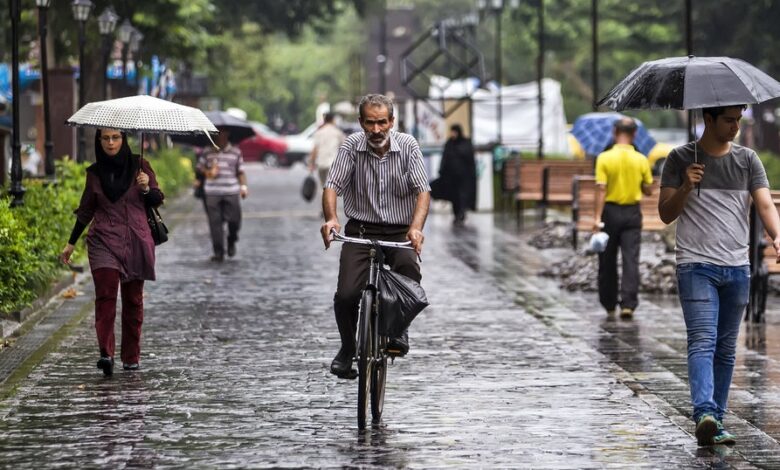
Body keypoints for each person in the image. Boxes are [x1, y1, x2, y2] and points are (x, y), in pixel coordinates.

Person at [659, 105, 780, 446]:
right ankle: (704, 413)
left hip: (737, 268)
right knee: (703, 340)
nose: (735, 127)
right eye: (729, 120)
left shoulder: (747, 160)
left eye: (738, 120)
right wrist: (685, 186)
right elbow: (666, 213)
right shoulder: (680, 158)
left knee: (726, 349)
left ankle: (718, 420)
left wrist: (777, 234)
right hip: (696, 266)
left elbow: (766, 204)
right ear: (707, 120)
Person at [320, 94, 431, 379]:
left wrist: (416, 228)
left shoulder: (408, 146)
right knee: (346, 294)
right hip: (361, 230)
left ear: (391, 122)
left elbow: (423, 191)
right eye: (370, 123)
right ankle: (347, 349)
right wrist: (332, 218)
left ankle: (398, 330)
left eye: (382, 122)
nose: (377, 129)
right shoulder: (351, 147)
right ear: (361, 123)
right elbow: (332, 186)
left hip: (400, 230)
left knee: (408, 273)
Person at [60, 128, 164, 376]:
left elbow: (158, 199)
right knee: (105, 296)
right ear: (99, 141)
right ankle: (105, 354)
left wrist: (146, 187)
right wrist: (71, 242)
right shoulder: (95, 174)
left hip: (136, 241)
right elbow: (86, 209)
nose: (110, 142)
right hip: (104, 241)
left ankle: (131, 356)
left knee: (133, 300)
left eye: (115, 137)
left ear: (123, 139)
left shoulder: (141, 165)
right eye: (105, 138)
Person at [593, 117, 654, 319]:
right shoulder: (641, 159)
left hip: (609, 212)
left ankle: (609, 302)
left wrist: (596, 218)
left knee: (607, 258)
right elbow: (647, 189)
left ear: (614, 132)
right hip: (632, 213)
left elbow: (601, 190)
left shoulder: (604, 158)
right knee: (631, 259)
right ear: (634, 134)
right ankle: (628, 304)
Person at [197, 127, 248, 262]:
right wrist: (208, 171)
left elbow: (241, 171)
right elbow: (200, 168)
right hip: (212, 191)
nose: (220, 136)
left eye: (222, 133)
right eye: (217, 133)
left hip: (231, 190)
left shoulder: (236, 152)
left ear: (228, 134)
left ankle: (231, 239)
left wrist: (243, 187)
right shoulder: (207, 152)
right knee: (215, 223)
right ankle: (218, 252)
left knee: (234, 220)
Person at [438, 124, 477, 226]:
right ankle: (457, 214)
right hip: (452, 177)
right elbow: (445, 158)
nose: (452, 134)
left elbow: (470, 159)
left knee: (463, 196)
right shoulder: (449, 143)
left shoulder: (466, 143)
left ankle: (461, 213)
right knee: (454, 197)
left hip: (464, 177)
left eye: (454, 131)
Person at [308, 112, 345, 186]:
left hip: (321, 163)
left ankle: (325, 196)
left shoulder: (319, 132)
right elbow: (345, 147)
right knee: (332, 187)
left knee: (323, 187)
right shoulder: (337, 133)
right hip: (333, 164)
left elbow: (315, 149)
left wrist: (311, 164)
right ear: (333, 120)